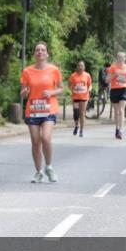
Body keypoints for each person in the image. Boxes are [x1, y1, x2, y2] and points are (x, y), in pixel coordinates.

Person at [21, 42, 63, 183]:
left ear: (47, 54)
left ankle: (49, 167)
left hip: (49, 108)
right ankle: (38, 171)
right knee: (35, 141)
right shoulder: (27, 71)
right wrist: (25, 92)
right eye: (37, 50)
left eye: (43, 50)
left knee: (45, 137)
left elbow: (61, 89)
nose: (40, 52)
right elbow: (22, 93)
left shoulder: (54, 70)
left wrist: (51, 91)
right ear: (34, 54)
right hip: (32, 110)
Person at [107, 52, 126, 139]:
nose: (121, 59)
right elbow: (107, 80)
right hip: (114, 89)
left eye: (122, 57)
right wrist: (115, 74)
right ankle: (117, 128)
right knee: (116, 111)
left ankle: (121, 131)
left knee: (121, 110)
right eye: (119, 57)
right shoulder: (113, 67)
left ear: (125, 58)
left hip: (124, 89)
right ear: (117, 58)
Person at [68, 60, 92, 138]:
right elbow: (70, 85)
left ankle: (81, 130)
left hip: (84, 96)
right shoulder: (73, 76)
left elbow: (90, 85)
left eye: (82, 66)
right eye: (79, 65)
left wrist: (89, 89)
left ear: (84, 67)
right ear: (77, 67)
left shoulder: (87, 75)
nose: (80, 67)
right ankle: (76, 125)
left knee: (82, 113)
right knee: (76, 113)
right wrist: (73, 88)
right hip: (75, 96)